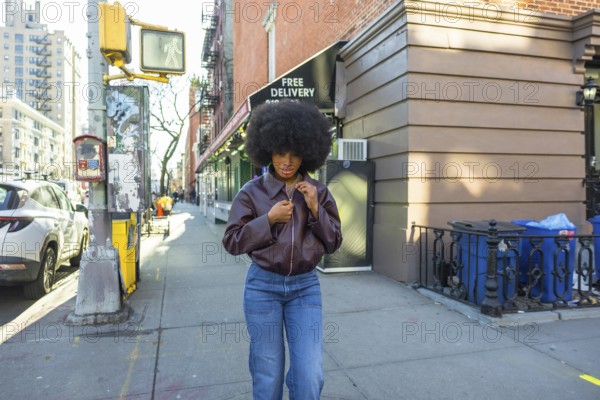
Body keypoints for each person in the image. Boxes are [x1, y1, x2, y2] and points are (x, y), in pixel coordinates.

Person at [222, 100, 343, 400]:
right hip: (263, 286)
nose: (287, 161)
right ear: (267, 151)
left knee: (310, 373)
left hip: (305, 288)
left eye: (294, 153)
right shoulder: (252, 192)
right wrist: (268, 220)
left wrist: (315, 209)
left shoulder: (319, 192)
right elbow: (232, 241)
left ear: (308, 152)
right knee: (268, 373)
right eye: (279, 153)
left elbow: (334, 242)